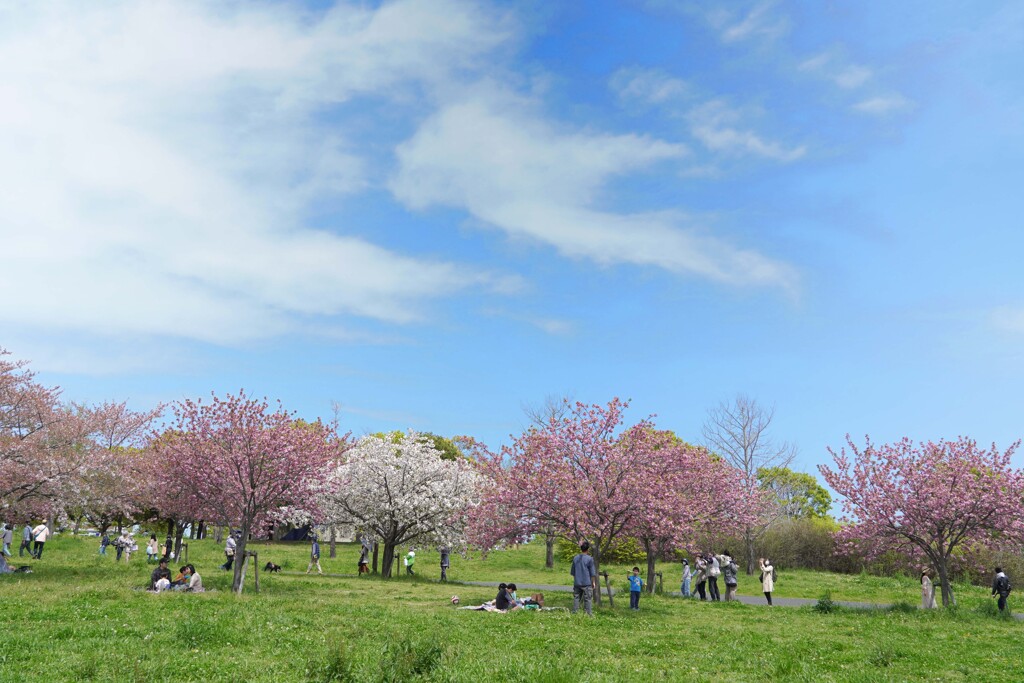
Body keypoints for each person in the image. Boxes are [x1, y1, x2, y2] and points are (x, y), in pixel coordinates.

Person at [570, 541, 598, 616]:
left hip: (577, 582)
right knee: (588, 598)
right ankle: (588, 613)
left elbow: (573, 572)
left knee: (576, 598)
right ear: (588, 549)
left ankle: (575, 612)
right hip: (586, 583)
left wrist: (576, 579)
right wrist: (593, 582)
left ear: (581, 549)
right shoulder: (590, 559)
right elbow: (592, 573)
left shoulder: (575, 558)